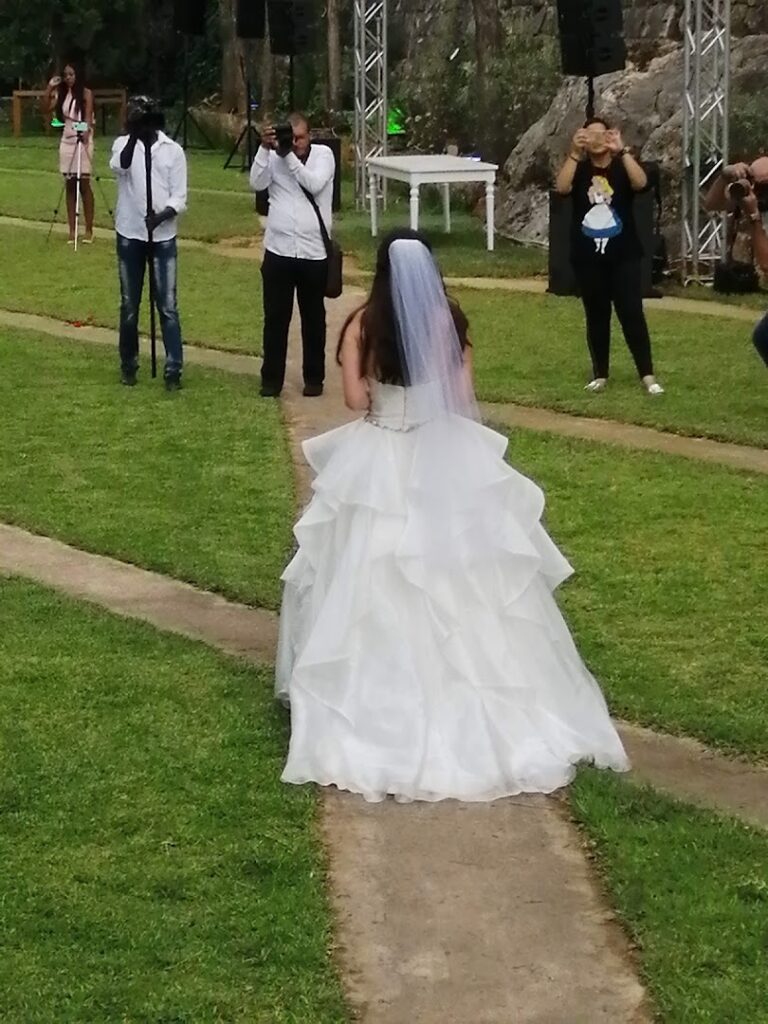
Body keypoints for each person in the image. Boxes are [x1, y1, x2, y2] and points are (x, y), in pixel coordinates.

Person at [275, 228, 629, 803]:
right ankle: (479, 692)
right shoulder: (450, 321)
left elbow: (354, 401)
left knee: (366, 568)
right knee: (463, 575)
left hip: (382, 450)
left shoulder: (363, 323)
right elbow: (462, 390)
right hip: (441, 449)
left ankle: (371, 696)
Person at [555, 117, 664, 395]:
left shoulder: (620, 164)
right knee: (597, 314)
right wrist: (574, 152)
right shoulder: (579, 167)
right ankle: (600, 373)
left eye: (601, 134)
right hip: (587, 257)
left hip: (624, 254)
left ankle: (648, 375)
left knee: (631, 313)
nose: (596, 139)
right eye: (589, 135)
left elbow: (641, 184)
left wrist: (622, 150)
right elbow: (562, 188)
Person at [250, 113, 336, 398]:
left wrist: (287, 156)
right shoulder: (273, 155)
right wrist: (265, 148)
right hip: (279, 250)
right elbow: (256, 183)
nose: (295, 143)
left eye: (300, 138)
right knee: (275, 318)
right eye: (291, 138)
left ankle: (314, 378)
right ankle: (271, 380)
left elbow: (314, 183)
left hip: (313, 253)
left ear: (309, 135)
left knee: (313, 319)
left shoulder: (324, 155)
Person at [109, 96, 187, 390]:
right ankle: (128, 364)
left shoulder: (172, 151)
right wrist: (133, 135)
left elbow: (179, 197)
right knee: (130, 305)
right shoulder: (122, 145)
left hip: (163, 237)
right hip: (130, 234)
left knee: (167, 305)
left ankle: (173, 368)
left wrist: (163, 215)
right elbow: (120, 166)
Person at [704, 157, 768, 367]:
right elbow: (712, 204)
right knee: (763, 336)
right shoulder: (753, 195)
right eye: (754, 181)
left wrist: (754, 217)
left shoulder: (757, 208)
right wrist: (725, 177)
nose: (757, 189)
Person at [46, 62, 95, 244]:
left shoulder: (86, 93)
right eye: (66, 75)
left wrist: (83, 131)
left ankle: (89, 230)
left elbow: (88, 119)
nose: (68, 78)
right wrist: (49, 88)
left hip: (82, 140)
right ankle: (72, 230)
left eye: (71, 74)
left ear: (78, 75)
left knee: (84, 183)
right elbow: (45, 109)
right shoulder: (61, 95)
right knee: (69, 185)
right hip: (66, 141)